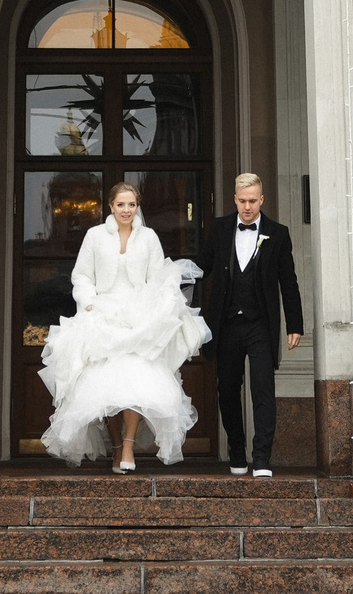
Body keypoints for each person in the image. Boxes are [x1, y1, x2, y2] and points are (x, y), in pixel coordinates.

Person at [40, 181, 211, 471]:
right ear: (111, 206)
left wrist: (156, 309)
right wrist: (88, 302)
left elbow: (157, 278)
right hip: (102, 315)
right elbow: (82, 275)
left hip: (138, 318)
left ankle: (129, 447)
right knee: (105, 387)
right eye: (121, 204)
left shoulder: (149, 237)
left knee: (136, 383)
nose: (126, 210)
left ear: (137, 206)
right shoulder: (95, 236)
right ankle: (117, 446)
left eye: (131, 204)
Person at [197, 171, 303, 476]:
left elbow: (288, 281)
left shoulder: (278, 233)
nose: (247, 207)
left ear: (262, 200)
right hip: (227, 324)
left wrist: (294, 324)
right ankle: (237, 451)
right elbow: (202, 267)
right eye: (242, 201)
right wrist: (168, 279)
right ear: (234, 199)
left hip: (260, 325)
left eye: (253, 201)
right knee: (228, 390)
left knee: (263, 389)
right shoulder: (219, 229)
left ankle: (262, 458)